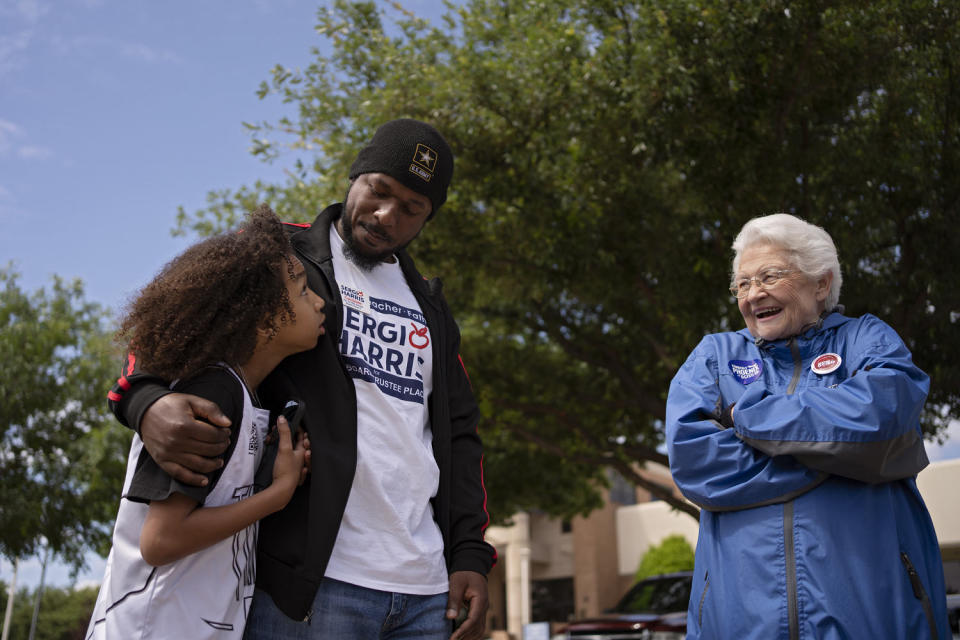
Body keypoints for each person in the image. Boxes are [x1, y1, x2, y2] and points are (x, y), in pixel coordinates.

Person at [106, 119, 496, 640]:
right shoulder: (280, 257)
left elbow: (459, 433)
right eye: (378, 192)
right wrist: (145, 400)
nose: (386, 216)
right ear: (355, 176)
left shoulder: (430, 303)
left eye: (411, 209)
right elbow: (175, 323)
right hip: (308, 587)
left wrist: (468, 551)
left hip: (425, 589)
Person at [665, 213, 950, 639]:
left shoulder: (866, 339)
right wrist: (847, 453)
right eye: (742, 284)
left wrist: (753, 417)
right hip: (740, 625)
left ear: (821, 283)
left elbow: (884, 411)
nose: (752, 294)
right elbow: (694, 460)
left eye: (769, 276)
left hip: (876, 619)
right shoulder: (715, 356)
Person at [87, 206, 325, 639]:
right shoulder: (210, 394)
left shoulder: (245, 394)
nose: (319, 301)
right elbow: (160, 542)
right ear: (267, 316)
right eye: (303, 290)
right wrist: (278, 495)